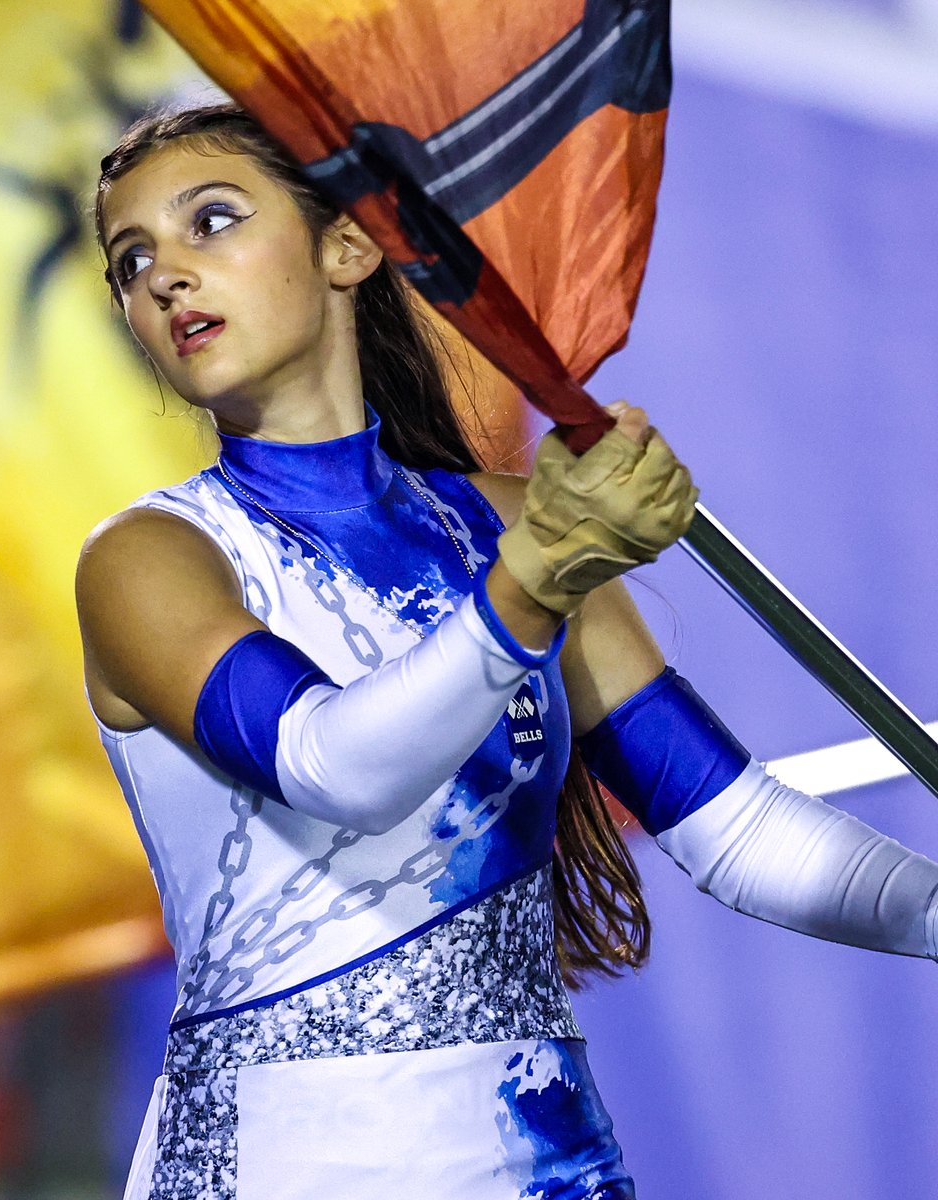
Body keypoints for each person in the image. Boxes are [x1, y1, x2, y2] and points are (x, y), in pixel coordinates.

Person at [76, 105, 938, 1200]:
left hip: (550, 1162)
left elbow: (742, 834)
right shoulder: (148, 560)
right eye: (131, 259)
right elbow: (334, 769)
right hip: (282, 1164)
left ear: (348, 244)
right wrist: (540, 576)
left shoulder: (515, 525)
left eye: (211, 220)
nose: (165, 277)